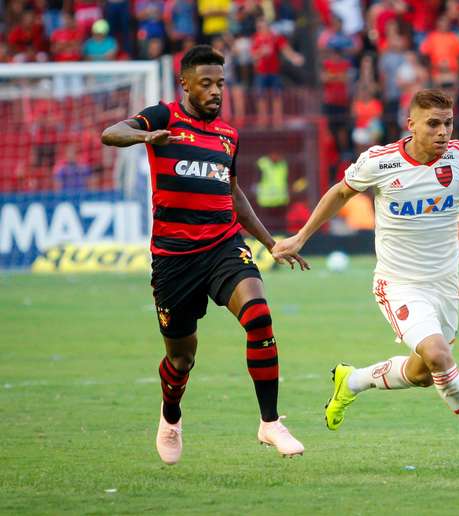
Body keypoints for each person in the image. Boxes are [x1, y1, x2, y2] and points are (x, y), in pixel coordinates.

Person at [101, 45, 308, 465]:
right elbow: (111, 133)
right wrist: (146, 136)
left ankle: (269, 422)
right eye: (206, 83)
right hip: (174, 259)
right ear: (186, 84)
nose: (216, 91)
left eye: (221, 84)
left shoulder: (227, 135)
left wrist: (270, 243)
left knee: (259, 316)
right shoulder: (163, 117)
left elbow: (232, 194)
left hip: (224, 246)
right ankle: (171, 416)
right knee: (181, 357)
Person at [272, 89, 459, 435]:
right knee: (440, 355)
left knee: (423, 374)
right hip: (398, 284)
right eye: (433, 124)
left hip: (445, 285)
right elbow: (340, 192)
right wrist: (301, 237)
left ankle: (352, 381)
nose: (443, 132)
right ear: (411, 124)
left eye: (448, 124)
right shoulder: (380, 162)